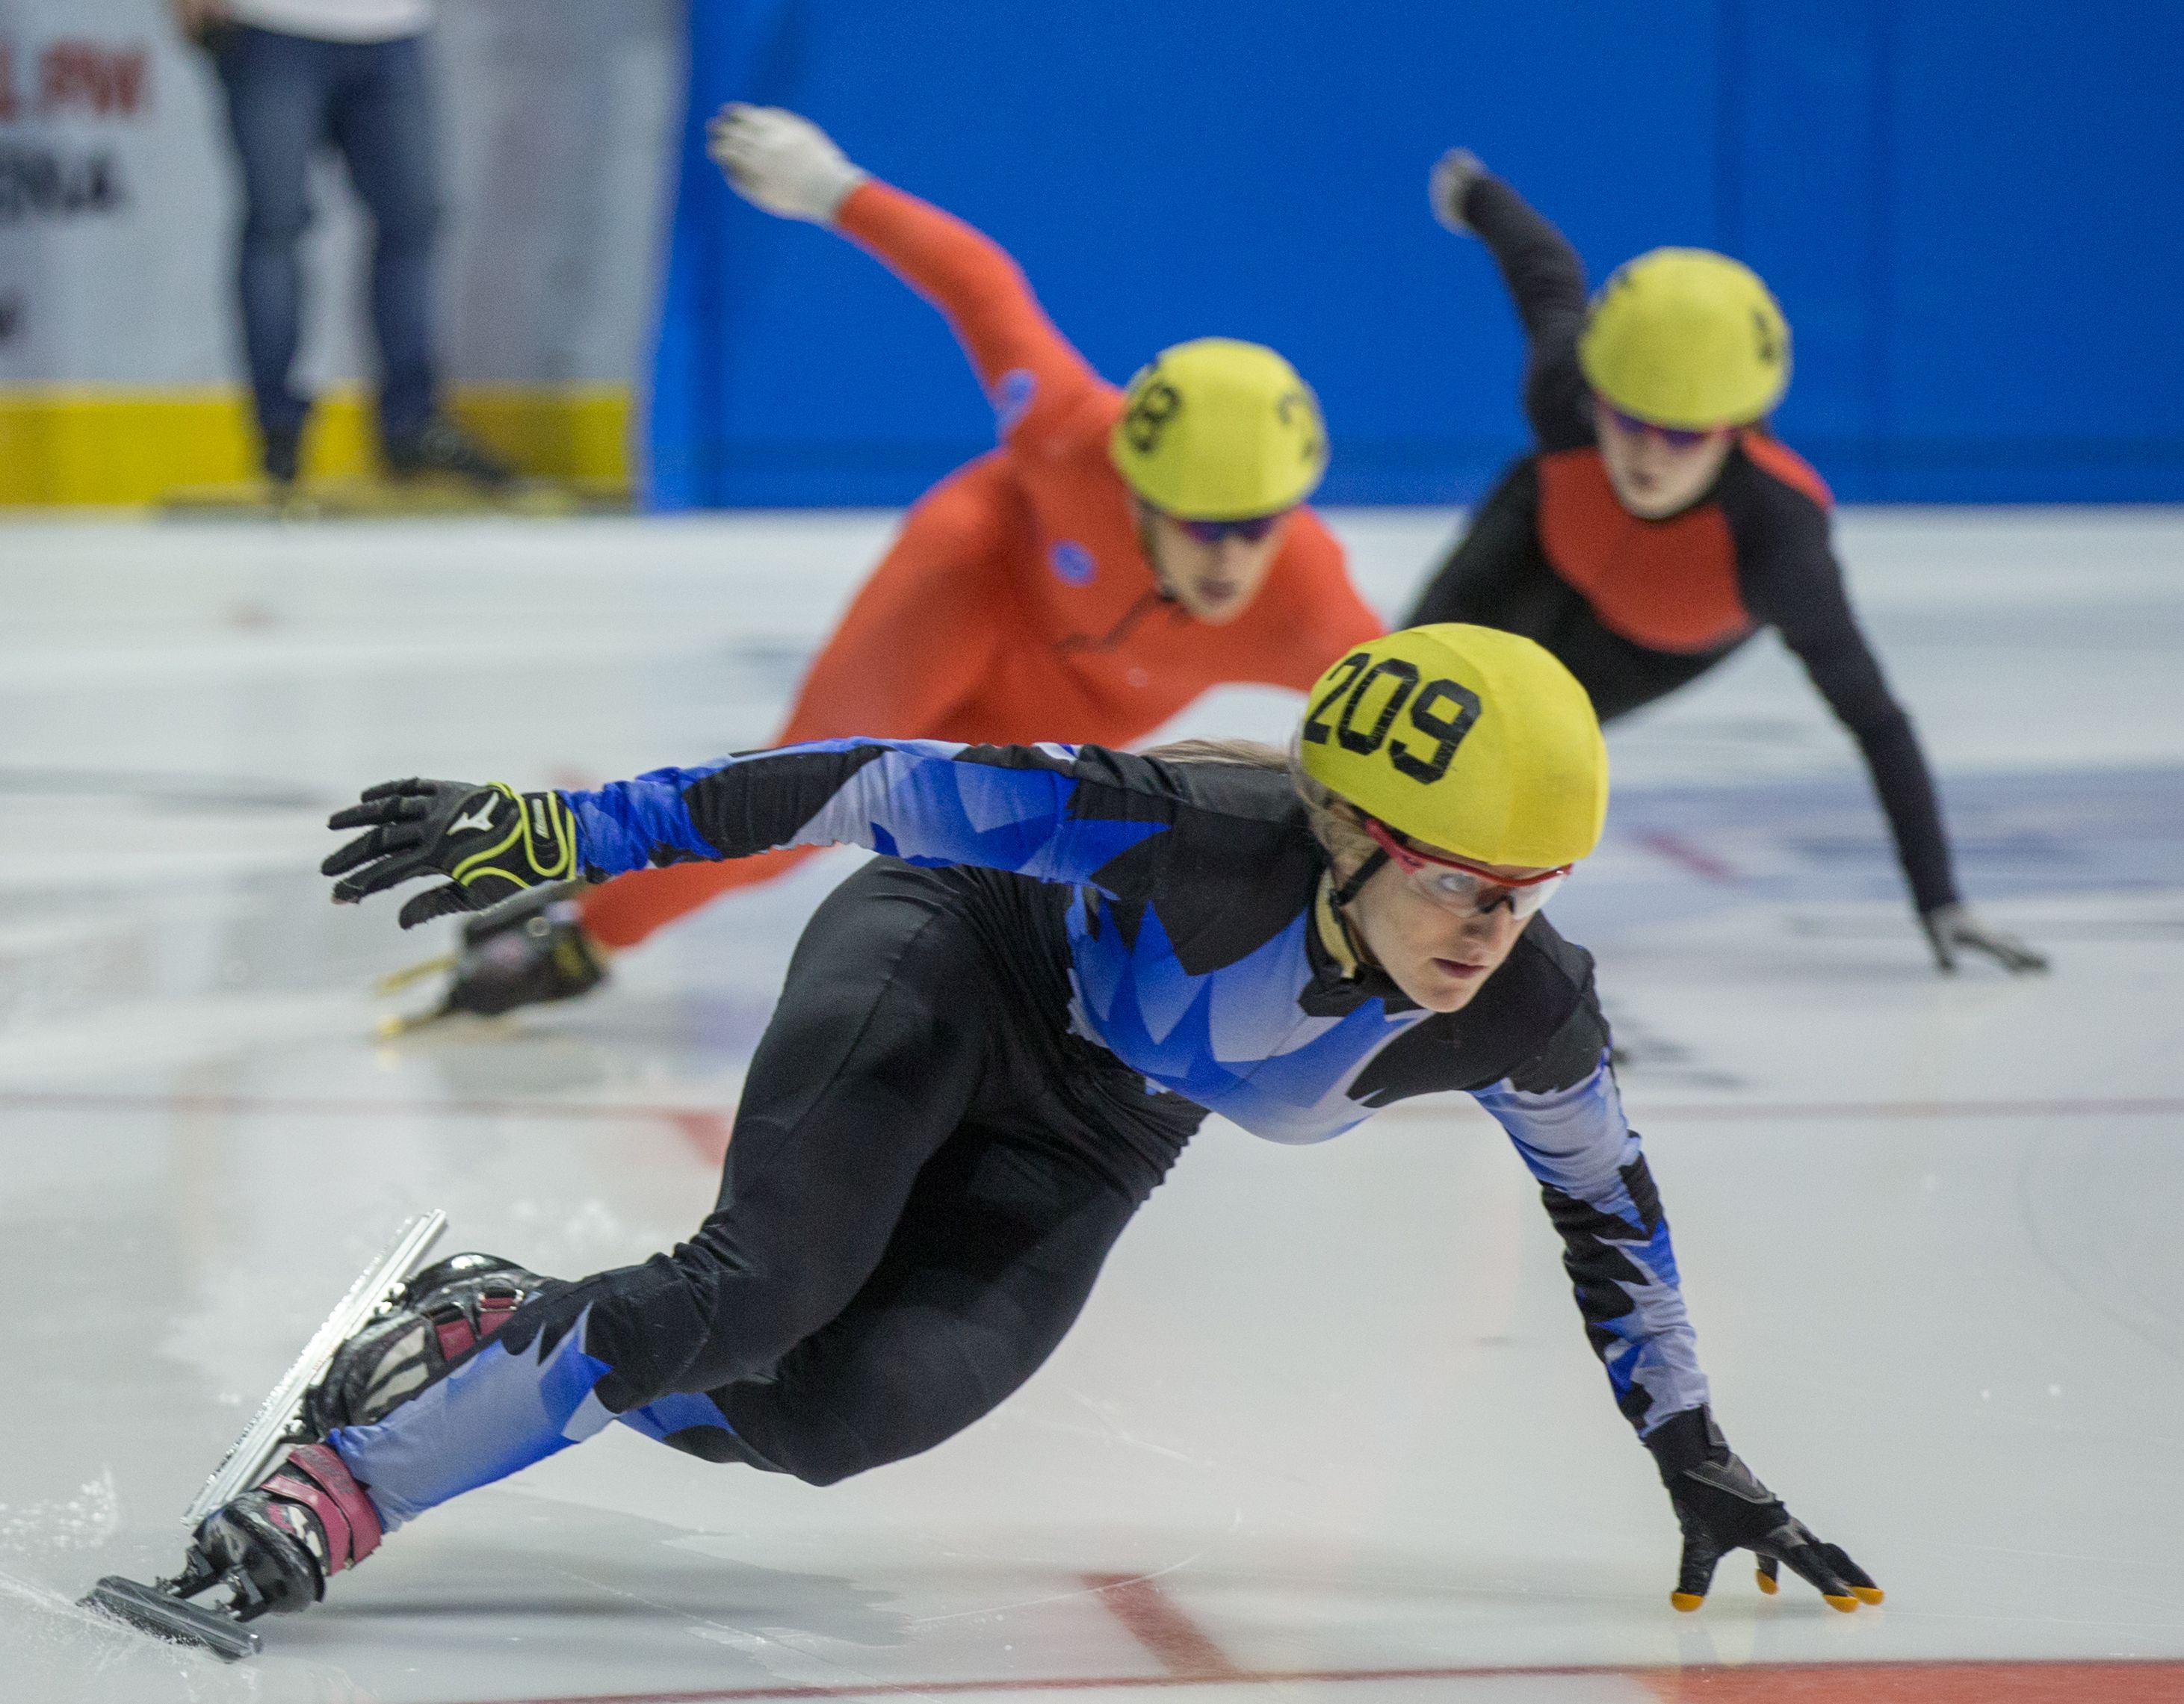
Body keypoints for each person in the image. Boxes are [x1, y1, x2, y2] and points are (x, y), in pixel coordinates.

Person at [189, 625, 1878, 1624]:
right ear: (1351, 830)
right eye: (1455, 879)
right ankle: (341, 1484)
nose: (1486, 929)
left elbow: (1611, 1212)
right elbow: (870, 775)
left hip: (1102, 1124)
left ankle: (497, 1326)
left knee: (842, 1411)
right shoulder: (1197, 834)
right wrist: (570, 823)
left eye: (1527, 894)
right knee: (769, 1278)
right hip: (949, 956)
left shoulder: (1524, 1007)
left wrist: (1691, 1445)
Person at [418, 105, 1382, 1023]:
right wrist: (832, 187)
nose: (1232, 557)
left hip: (1086, 699)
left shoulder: (1309, 608)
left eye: (1257, 524)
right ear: (1135, 491)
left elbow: (1431, 736)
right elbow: (980, 286)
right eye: (1200, 524)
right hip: (972, 581)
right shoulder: (1065, 435)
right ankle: (581, 933)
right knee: (803, 796)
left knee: (1011, 867)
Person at [1407, 151, 2044, 976]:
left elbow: (1876, 720)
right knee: (1414, 689)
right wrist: (1478, 196)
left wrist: (1940, 898)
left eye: (1684, 434)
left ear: (1737, 427)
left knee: (1520, 751)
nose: (1647, 455)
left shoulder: (1776, 535)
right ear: (1597, 396)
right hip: (1540, 540)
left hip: (1650, 639)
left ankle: (1481, 951)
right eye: (1627, 420)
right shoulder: (1567, 391)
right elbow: (1546, 274)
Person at [174, 0, 512, 489]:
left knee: (412, 221)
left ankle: (411, 426)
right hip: (273, 23)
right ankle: (279, 433)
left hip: (392, 25)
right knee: (277, 223)